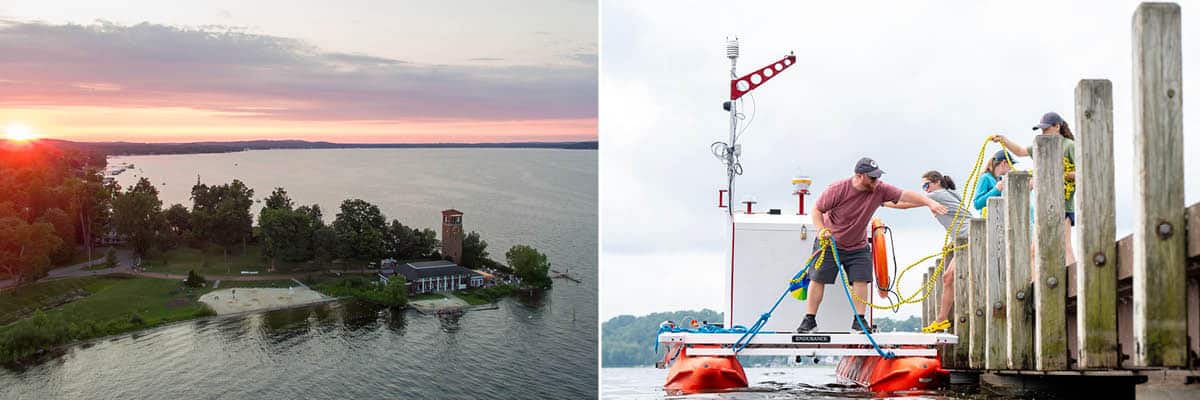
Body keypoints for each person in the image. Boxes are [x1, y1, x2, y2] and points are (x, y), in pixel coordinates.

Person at [797, 157, 949, 333]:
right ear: (859, 176)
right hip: (830, 242)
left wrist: (929, 203)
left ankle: (859, 321)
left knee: (861, 280)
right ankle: (809, 320)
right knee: (818, 279)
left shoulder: (880, 188)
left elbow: (904, 195)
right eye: (872, 178)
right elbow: (817, 210)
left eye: (877, 177)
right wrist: (821, 230)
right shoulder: (838, 189)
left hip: (857, 245)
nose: (877, 181)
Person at [883, 170, 969, 331]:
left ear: (936, 182)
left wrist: (881, 202)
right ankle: (941, 319)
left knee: (948, 278)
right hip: (963, 238)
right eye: (923, 187)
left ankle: (941, 319)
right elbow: (960, 217)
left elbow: (904, 205)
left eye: (926, 185)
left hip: (969, 239)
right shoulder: (950, 193)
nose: (925, 190)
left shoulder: (937, 195)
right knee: (947, 278)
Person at [991, 111, 1077, 266]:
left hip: (1064, 204)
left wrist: (1060, 173)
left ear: (1057, 126)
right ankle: (1035, 287)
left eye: (1046, 129)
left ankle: (1077, 284)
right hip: (1044, 205)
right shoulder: (1040, 145)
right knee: (1033, 251)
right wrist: (1004, 141)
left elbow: (1081, 172)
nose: (1043, 133)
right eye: (1041, 130)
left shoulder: (1069, 146)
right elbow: (1020, 151)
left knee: (1065, 246)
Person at [972, 150, 1016, 215]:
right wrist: (996, 190)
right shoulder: (985, 178)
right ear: (1003, 163)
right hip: (989, 222)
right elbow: (977, 204)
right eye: (1011, 164)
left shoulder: (999, 180)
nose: (1012, 168)